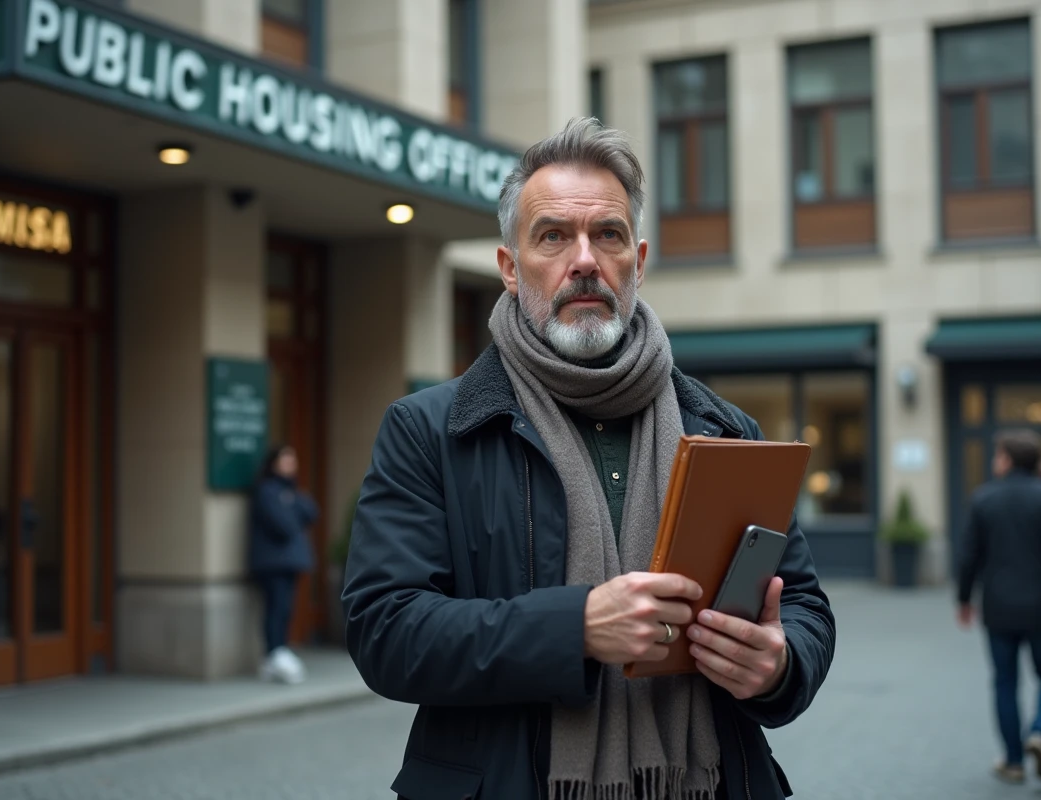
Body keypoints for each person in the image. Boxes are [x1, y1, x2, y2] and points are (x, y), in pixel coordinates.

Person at [342, 118, 835, 800]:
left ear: (637, 257)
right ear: (511, 269)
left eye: (606, 235)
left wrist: (781, 664)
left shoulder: (727, 430)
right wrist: (573, 627)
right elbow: (386, 631)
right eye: (553, 236)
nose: (584, 260)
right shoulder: (430, 430)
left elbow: (803, 603)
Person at [958, 429, 1041, 785]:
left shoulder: (983, 499)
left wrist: (964, 599)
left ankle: (1013, 762)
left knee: (1005, 682)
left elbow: (968, 556)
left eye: (997, 455)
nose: (995, 461)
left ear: (1008, 459)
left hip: (998, 606)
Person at [248, 444, 318, 684]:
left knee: (285, 608)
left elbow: (311, 512)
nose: (290, 465)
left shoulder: (292, 491)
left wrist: (292, 502)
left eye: (293, 460)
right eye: (285, 460)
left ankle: (278, 654)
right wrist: (291, 505)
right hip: (272, 563)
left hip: (289, 561)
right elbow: (284, 525)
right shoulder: (267, 491)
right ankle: (274, 653)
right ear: (274, 463)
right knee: (276, 608)